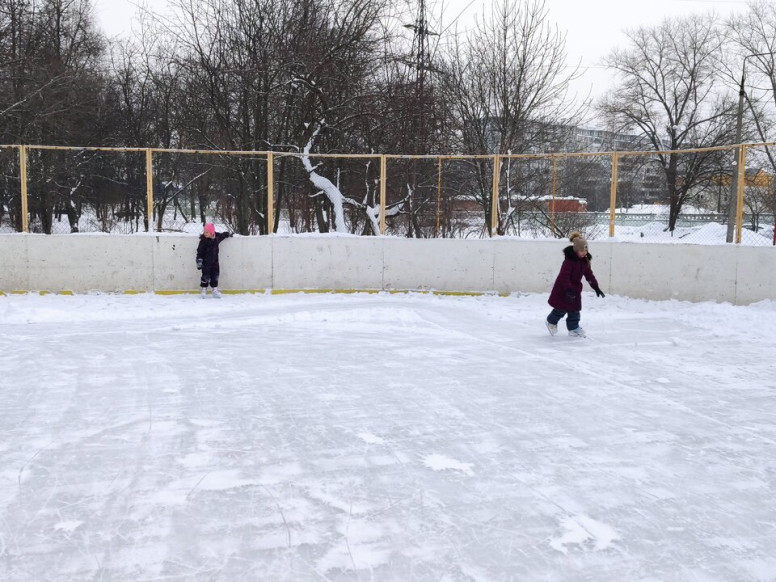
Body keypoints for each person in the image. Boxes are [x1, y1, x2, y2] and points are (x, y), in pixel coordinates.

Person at [545, 231, 605, 338]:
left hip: (575, 289)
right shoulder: (569, 261)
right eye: (582, 251)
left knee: (575, 310)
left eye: (586, 250)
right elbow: (564, 276)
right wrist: (568, 289)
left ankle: (573, 329)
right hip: (563, 288)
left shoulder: (584, 261)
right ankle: (551, 322)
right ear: (576, 250)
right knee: (561, 309)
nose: (584, 253)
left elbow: (589, 275)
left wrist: (595, 287)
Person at [196, 223, 233, 298]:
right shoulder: (203, 241)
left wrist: (228, 234)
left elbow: (222, 235)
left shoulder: (216, 238)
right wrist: (199, 261)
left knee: (215, 276)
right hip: (206, 263)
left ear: (212, 232)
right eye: (204, 232)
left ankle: (214, 290)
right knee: (205, 276)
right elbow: (200, 252)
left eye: (207, 232)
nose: (205, 233)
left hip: (215, 262)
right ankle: (203, 289)